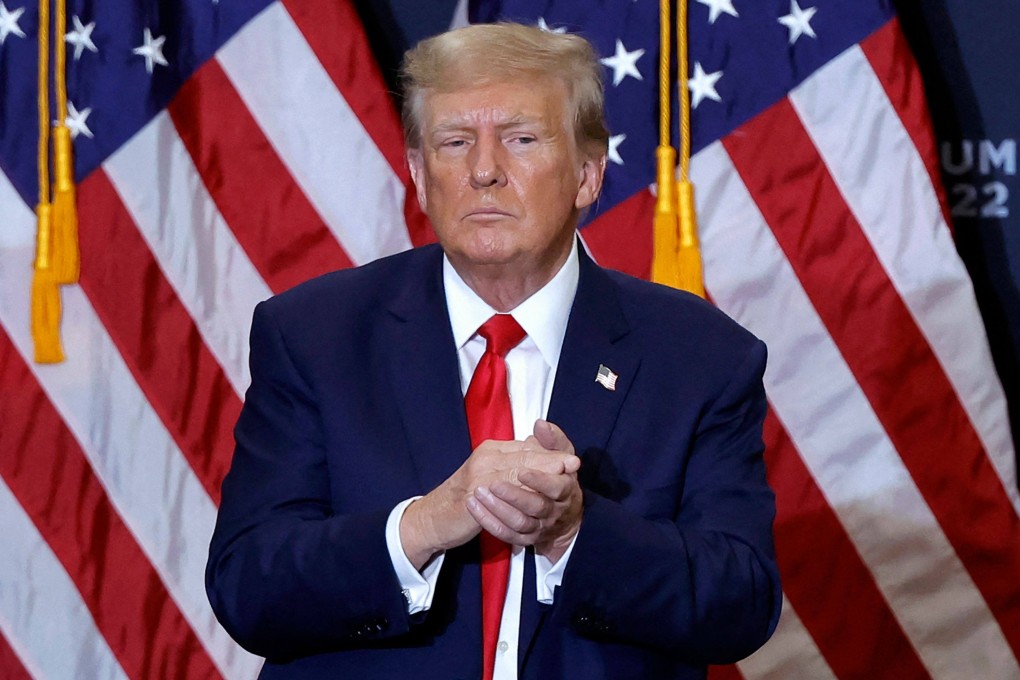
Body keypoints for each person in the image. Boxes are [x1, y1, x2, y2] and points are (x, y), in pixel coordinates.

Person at [206, 21, 781, 680]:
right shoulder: (313, 336)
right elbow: (246, 587)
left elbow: (742, 604)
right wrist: (422, 525)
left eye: (521, 139)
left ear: (588, 175)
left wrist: (574, 534)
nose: (484, 171)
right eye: (455, 143)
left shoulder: (701, 356)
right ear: (421, 177)